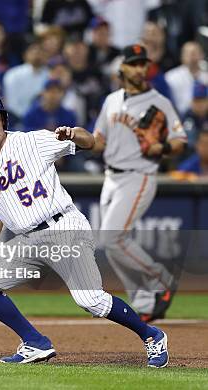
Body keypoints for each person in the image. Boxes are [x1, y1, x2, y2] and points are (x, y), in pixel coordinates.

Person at [0, 91, 170, 368]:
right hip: (27, 241)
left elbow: (91, 142)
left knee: (90, 299)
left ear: (4, 119)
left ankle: (152, 335)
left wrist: (72, 134)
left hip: (63, 228)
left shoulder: (31, 140)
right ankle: (35, 343)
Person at [92, 44, 187, 322]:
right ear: (122, 68)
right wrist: (78, 140)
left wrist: (163, 147)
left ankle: (162, 278)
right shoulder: (111, 100)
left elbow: (180, 141)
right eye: (134, 63)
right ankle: (144, 301)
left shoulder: (159, 102)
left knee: (112, 238)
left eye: (143, 63)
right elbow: (99, 139)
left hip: (139, 175)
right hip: (110, 176)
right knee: (112, 243)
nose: (139, 68)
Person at [3, 41, 48, 119]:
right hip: (17, 119)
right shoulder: (13, 74)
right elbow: (12, 104)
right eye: (33, 51)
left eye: (40, 51)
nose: (37, 54)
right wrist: (28, 118)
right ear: (24, 55)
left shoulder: (49, 74)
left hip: (44, 119)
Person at [165, 42, 208, 115]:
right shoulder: (171, 77)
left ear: (202, 55)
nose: (192, 57)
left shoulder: (206, 76)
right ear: (182, 56)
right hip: (179, 118)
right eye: (188, 53)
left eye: (195, 53)